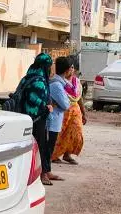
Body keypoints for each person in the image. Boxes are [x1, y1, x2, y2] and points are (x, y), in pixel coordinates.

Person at [16, 53, 54, 184]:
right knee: (40, 146)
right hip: (36, 118)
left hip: (25, 118)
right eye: (50, 66)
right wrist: (46, 106)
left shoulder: (28, 77)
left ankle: (43, 172)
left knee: (31, 147)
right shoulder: (39, 80)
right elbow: (34, 98)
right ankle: (42, 174)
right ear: (46, 66)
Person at [53, 55, 87, 165]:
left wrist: (83, 113)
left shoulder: (76, 82)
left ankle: (67, 154)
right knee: (60, 133)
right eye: (69, 68)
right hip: (63, 110)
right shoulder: (58, 82)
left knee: (76, 132)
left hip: (75, 110)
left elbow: (79, 98)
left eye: (73, 68)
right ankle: (54, 155)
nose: (71, 70)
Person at [45, 56, 74, 185]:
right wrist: (66, 100)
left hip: (55, 120)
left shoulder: (58, 83)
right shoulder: (57, 85)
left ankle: (47, 171)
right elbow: (66, 105)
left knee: (50, 148)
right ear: (68, 70)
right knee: (48, 148)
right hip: (52, 121)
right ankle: (45, 172)